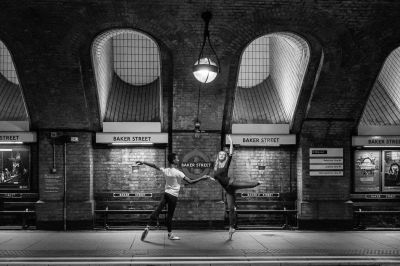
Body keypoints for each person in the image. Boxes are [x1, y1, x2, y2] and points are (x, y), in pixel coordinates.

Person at [136, 153, 208, 241]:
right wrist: (202, 178)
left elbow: (154, 165)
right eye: (177, 159)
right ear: (173, 160)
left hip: (166, 194)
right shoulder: (178, 173)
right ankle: (170, 235)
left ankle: (148, 226)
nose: (178, 160)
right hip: (173, 196)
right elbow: (190, 181)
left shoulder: (166, 170)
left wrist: (143, 162)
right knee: (170, 216)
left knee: (157, 210)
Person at [206, 134, 261, 240]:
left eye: (223, 154)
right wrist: (210, 178)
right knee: (231, 208)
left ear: (225, 157)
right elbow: (216, 178)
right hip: (228, 189)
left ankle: (257, 183)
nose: (221, 155)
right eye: (220, 154)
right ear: (218, 156)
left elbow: (231, 153)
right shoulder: (216, 166)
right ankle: (231, 228)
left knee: (244, 184)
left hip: (231, 183)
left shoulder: (226, 163)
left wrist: (230, 141)